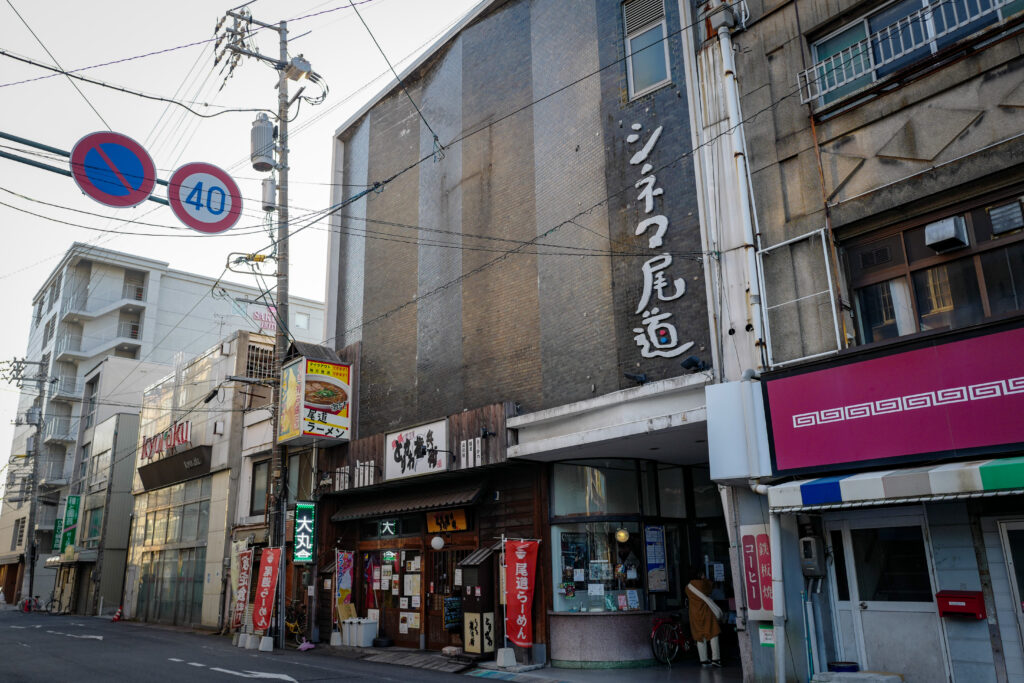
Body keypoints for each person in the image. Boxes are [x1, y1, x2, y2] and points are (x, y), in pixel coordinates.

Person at [686, 570, 722, 668]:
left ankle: (703, 660)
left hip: (694, 614)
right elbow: (710, 588)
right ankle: (716, 659)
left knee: (700, 636)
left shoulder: (688, 587)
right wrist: (705, 579)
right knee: (713, 633)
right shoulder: (702, 584)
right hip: (706, 613)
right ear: (701, 575)